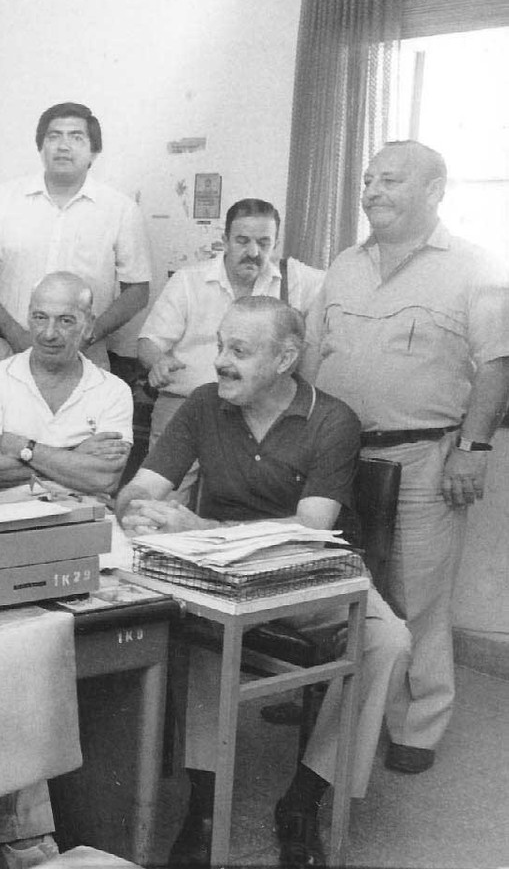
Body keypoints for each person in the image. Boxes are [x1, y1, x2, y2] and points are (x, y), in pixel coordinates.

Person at [117, 296, 410, 868]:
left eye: (239, 352)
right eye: (220, 346)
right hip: (220, 573)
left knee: (389, 641)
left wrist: (201, 524)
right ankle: (204, 804)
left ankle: (304, 798)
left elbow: (311, 527)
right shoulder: (205, 404)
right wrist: (139, 506)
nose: (221, 362)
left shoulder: (332, 418)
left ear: (285, 359)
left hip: (307, 572)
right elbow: (145, 483)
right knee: (200, 626)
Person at [304, 140, 509, 775]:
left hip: (424, 457)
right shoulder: (342, 264)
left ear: (434, 190)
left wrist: (473, 451)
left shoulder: (475, 266)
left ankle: (416, 724)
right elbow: (312, 354)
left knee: (415, 595)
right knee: (331, 585)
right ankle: (324, 700)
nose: (371, 192)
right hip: (338, 460)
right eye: (367, 180)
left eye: (390, 180)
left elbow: (497, 364)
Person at [138, 198, 323, 502]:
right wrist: (157, 362)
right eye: (242, 241)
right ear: (224, 240)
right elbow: (148, 342)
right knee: (162, 504)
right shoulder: (189, 281)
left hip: (256, 412)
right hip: (186, 406)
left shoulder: (296, 280)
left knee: (247, 505)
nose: (253, 252)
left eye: (265, 243)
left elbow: (341, 286)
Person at [0, 102, 150, 369]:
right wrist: (15, 334)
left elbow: (138, 291)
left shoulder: (120, 210)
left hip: (85, 357)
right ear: (41, 147)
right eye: (54, 136)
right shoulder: (2, 200)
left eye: (76, 137)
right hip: (10, 352)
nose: (63, 145)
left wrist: (88, 334)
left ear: (94, 152)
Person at [0, 272, 133, 497]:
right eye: (40, 317)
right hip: (6, 522)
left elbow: (105, 479)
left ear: (89, 325)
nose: (49, 333)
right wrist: (75, 455)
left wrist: (24, 448)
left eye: (65, 320)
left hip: (84, 524)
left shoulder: (114, 391)